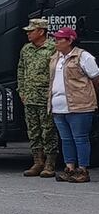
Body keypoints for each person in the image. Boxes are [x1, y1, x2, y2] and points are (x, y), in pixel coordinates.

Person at [48, 27, 97, 183]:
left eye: (59, 39)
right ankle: (69, 168)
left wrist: (93, 98)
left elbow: (95, 78)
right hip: (58, 106)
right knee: (66, 139)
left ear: (69, 40)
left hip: (79, 106)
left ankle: (82, 169)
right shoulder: (56, 57)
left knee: (80, 138)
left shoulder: (83, 56)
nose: (55, 42)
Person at [18, 18, 58, 177]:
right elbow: (21, 70)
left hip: (46, 97)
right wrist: (21, 91)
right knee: (33, 131)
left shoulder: (53, 48)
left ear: (41, 31)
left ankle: (50, 163)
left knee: (48, 130)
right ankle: (37, 162)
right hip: (29, 97)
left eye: (31, 31)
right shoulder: (26, 49)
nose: (28, 34)